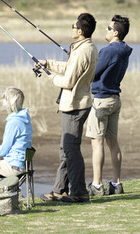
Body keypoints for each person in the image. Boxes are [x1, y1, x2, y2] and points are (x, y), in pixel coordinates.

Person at [38, 13, 98, 203]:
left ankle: (79, 192)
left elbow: (69, 81)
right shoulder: (86, 48)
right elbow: (71, 68)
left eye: (73, 26)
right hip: (76, 103)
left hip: (75, 105)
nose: (71, 29)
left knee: (71, 150)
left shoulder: (82, 51)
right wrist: (49, 64)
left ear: (80, 31)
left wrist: (52, 78)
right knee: (66, 149)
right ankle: (59, 190)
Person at [85, 15, 132, 196]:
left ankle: (97, 185)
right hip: (115, 100)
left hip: (102, 101)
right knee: (113, 143)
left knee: (97, 143)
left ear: (116, 32)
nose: (106, 30)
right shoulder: (124, 50)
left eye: (108, 28)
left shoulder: (109, 50)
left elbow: (93, 73)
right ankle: (116, 184)